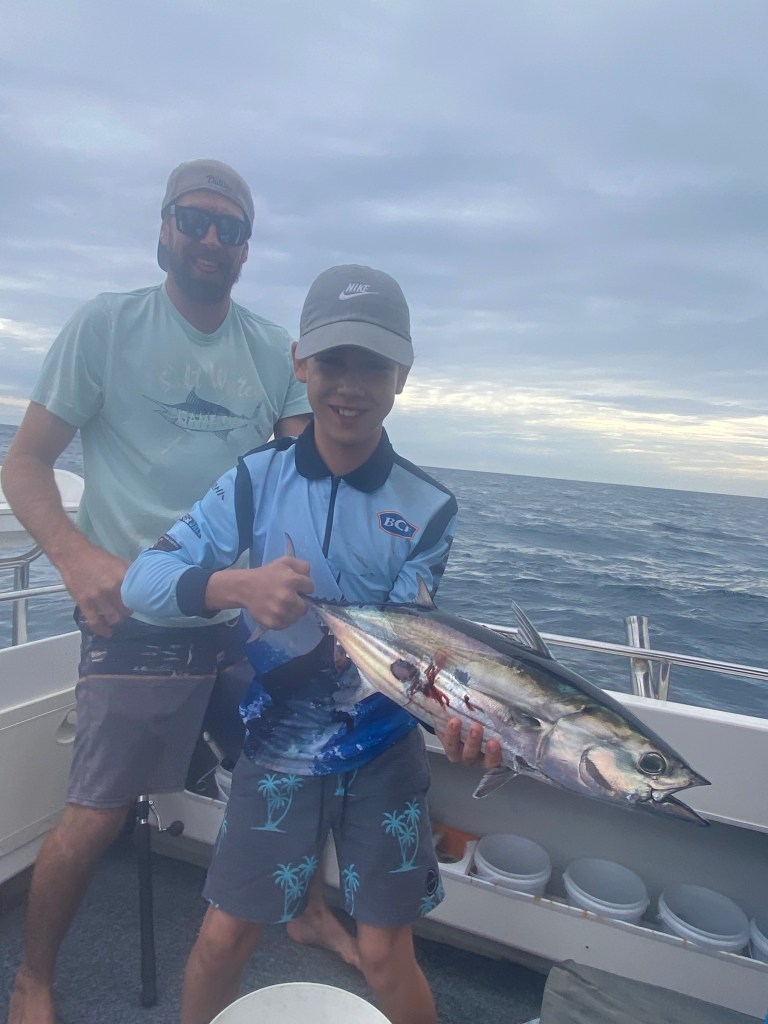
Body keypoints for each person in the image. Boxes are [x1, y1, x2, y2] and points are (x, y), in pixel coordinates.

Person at [1, 158, 358, 1024]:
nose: (210, 239)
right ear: (163, 228)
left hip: (241, 613)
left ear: (246, 248)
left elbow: (304, 475)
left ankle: (307, 908)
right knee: (95, 813)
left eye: (229, 228)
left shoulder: (271, 351)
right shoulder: (106, 325)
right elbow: (26, 463)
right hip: (135, 610)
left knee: (307, 754)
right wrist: (76, 561)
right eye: (193, 220)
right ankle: (33, 978)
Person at [121, 263, 503, 1024]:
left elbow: (408, 648)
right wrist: (238, 586)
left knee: (387, 955)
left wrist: (462, 724)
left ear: (403, 375)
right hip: (277, 744)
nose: (350, 386)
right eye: (333, 361)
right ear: (300, 364)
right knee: (224, 938)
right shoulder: (253, 481)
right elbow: (142, 579)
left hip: (384, 752)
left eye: (374, 365)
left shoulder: (429, 507)